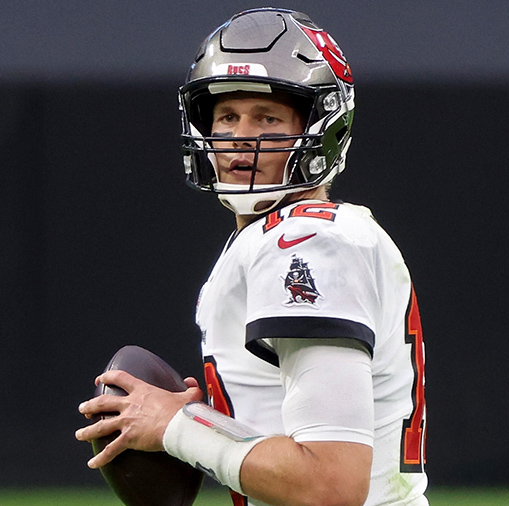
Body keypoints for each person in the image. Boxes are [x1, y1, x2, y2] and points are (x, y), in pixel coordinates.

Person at [76, 8, 428, 506]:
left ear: (322, 129)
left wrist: (176, 426)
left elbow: (329, 486)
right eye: (226, 116)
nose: (241, 135)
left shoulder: (305, 241)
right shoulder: (276, 237)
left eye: (267, 117)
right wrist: (203, 421)